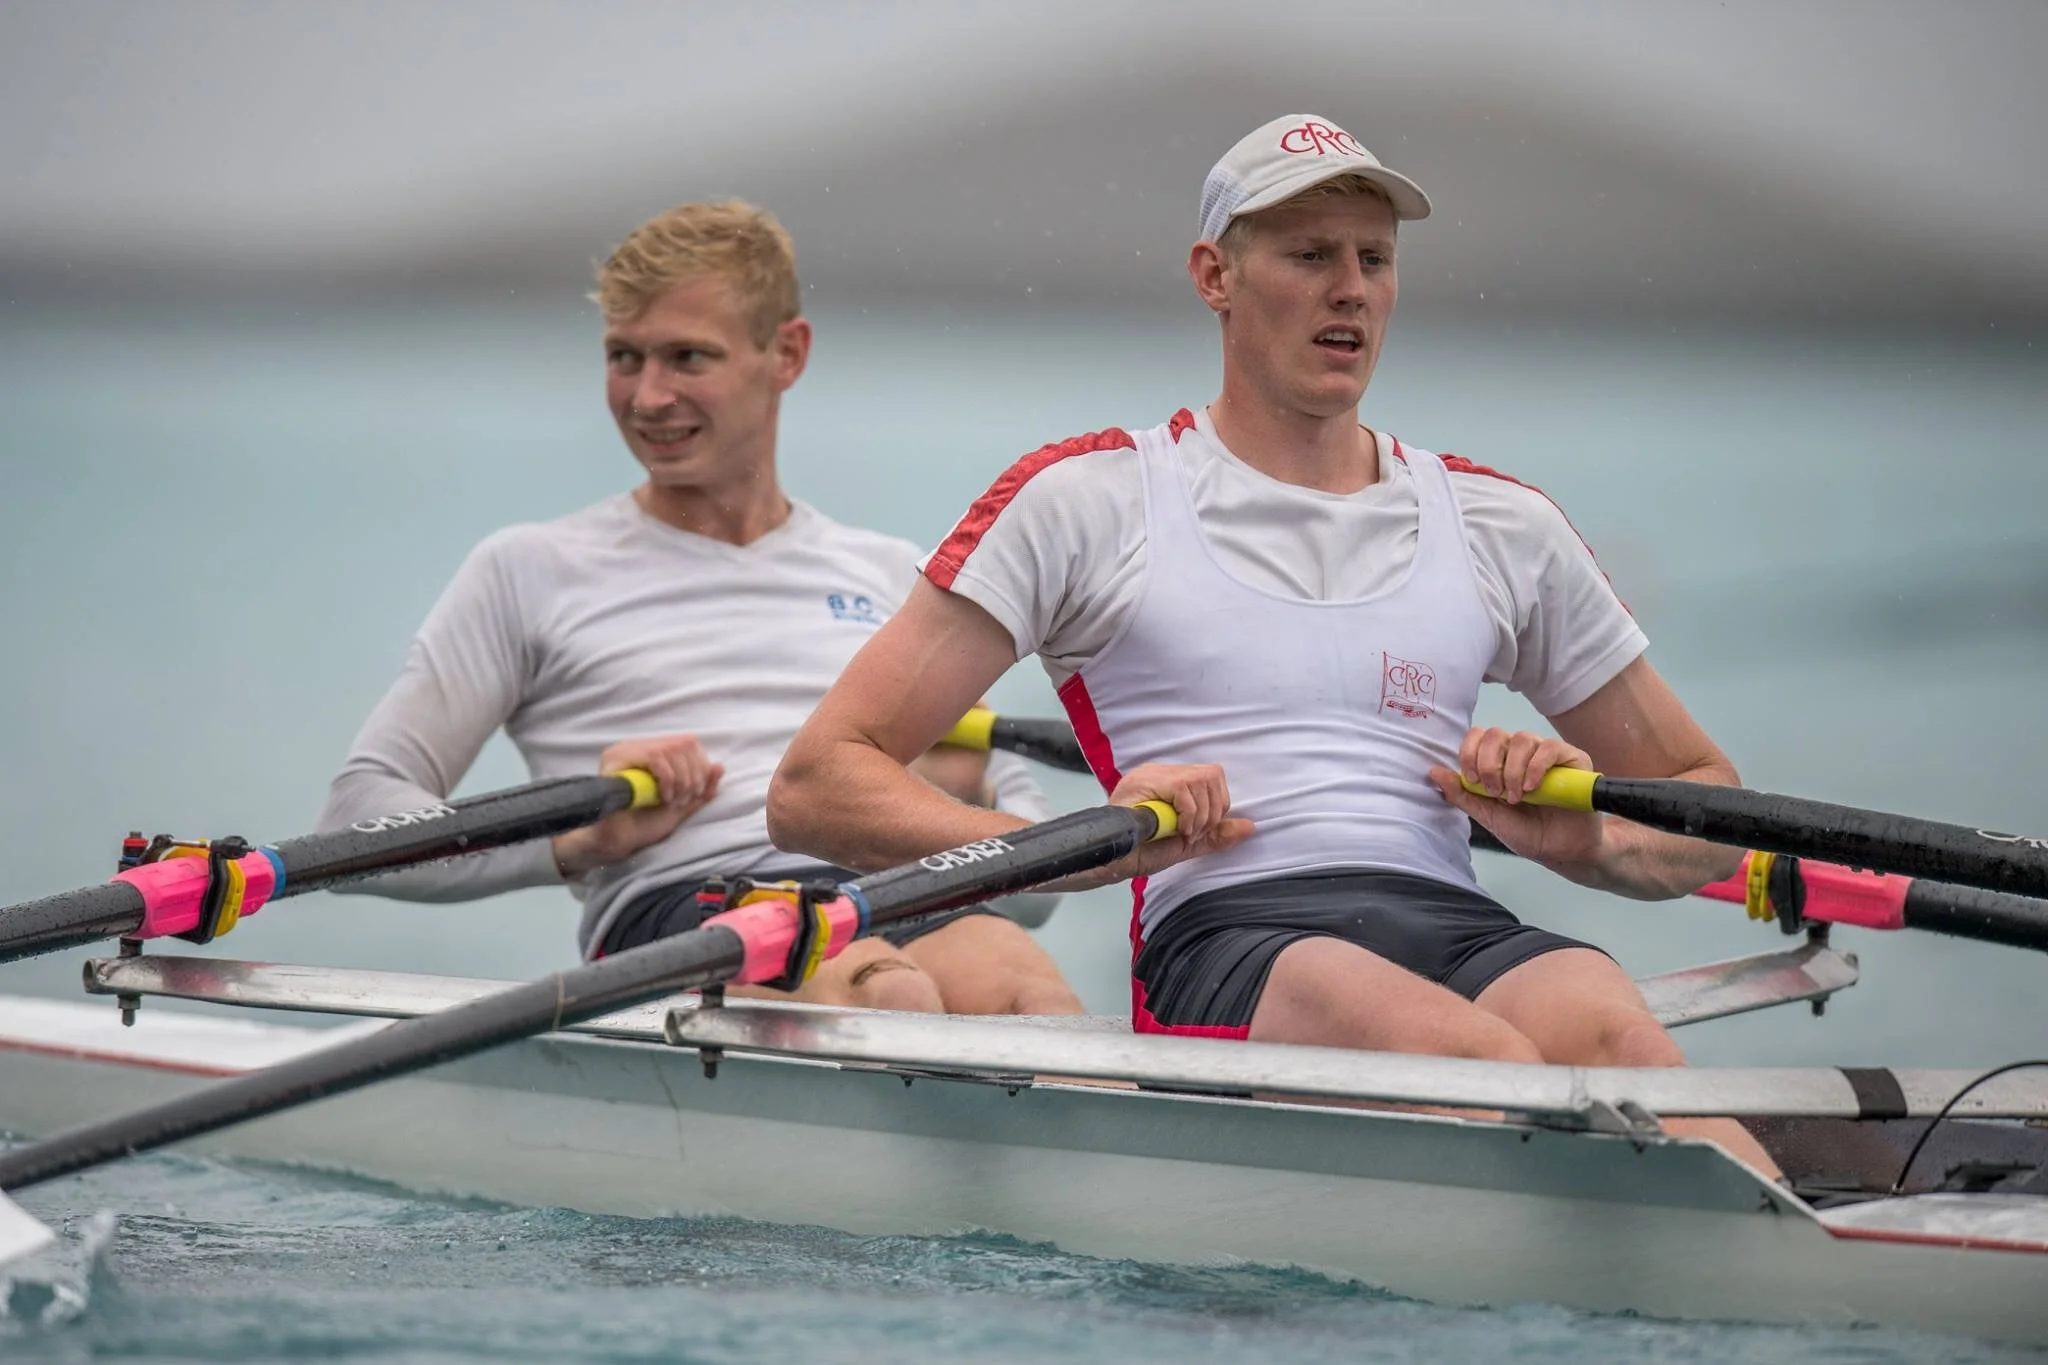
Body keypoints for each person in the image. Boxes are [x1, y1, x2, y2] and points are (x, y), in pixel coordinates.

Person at [767, 115, 1779, 1172]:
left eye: (1373, 259)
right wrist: (1081, 855)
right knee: (1476, 1057)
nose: (1350, 288)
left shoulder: (1498, 523)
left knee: (1628, 1049)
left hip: (1454, 918)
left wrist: (1592, 845)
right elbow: (815, 784)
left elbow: (1707, 807)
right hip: (1228, 937)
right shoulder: (1088, 504)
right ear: (1214, 276)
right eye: (1309, 255)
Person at [318, 199, 1082, 1017]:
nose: (648, 397)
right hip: (688, 905)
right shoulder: (528, 571)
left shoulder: (892, 575)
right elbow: (355, 825)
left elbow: (1035, 890)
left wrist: (953, 802)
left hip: (892, 889)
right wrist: (573, 841)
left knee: (1033, 997)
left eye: (687, 358)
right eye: (624, 357)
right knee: (892, 992)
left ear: (786, 354)